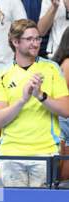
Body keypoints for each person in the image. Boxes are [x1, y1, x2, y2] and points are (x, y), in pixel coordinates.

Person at [0, 19, 69, 187]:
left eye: (38, 38)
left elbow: (66, 110)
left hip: (46, 152)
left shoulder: (53, 68)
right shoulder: (2, 75)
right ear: (15, 42)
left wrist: (40, 96)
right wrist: (22, 100)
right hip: (11, 153)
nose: (36, 43)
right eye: (30, 39)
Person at [52, 26, 69, 181]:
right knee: (63, 178)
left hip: (62, 120)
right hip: (65, 121)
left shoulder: (61, 64)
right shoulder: (68, 64)